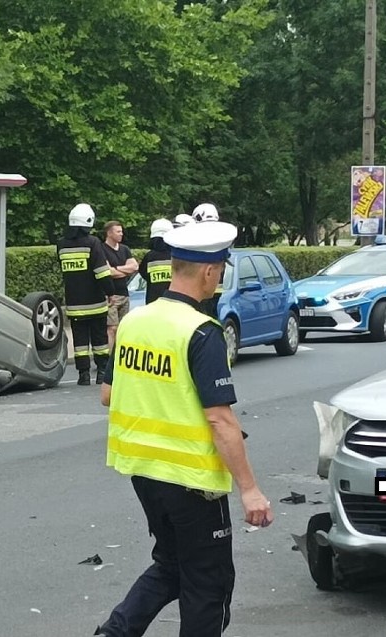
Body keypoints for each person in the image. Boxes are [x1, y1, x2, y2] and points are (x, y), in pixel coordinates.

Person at [96, 220, 273, 637]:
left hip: (143, 470)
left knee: (173, 565)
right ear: (210, 272)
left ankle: (114, 633)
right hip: (192, 480)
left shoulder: (135, 322)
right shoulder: (201, 331)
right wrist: (249, 489)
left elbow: (107, 395)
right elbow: (219, 418)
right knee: (208, 584)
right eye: (222, 269)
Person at [57, 203, 115, 385]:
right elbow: (102, 272)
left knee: (80, 340)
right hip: (95, 302)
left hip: (74, 303)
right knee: (100, 339)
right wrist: (110, 292)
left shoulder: (62, 244)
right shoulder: (93, 243)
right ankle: (101, 372)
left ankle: (83, 375)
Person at [103, 220, 138, 348]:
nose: (121, 234)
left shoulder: (125, 249)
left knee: (123, 328)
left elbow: (134, 267)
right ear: (109, 233)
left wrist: (117, 268)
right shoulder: (102, 249)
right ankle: (110, 360)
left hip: (125, 294)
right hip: (111, 296)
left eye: (121, 231)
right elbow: (108, 272)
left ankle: (120, 357)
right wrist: (125, 270)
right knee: (112, 328)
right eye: (118, 231)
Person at [138, 218, 173, 304]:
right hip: (173, 302)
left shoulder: (149, 257)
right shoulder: (176, 256)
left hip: (153, 302)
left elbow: (143, 273)